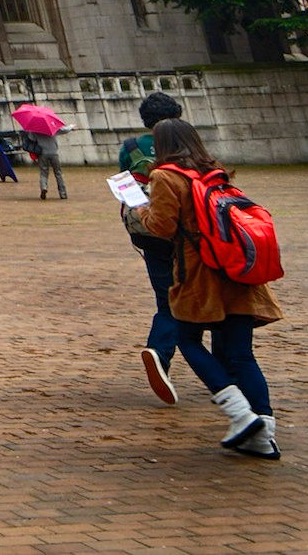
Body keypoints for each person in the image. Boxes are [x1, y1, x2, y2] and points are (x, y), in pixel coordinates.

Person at [129, 118, 283, 459]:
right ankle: (265, 434)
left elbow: (163, 226)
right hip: (237, 269)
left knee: (187, 339)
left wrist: (140, 210)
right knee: (241, 355)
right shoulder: (214, 171)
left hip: (200, 275)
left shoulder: (165, 176)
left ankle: (241, 416)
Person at [121, 90, 186, 404]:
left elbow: (124, 188)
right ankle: (224, 370)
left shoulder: (131, 147)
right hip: (184, 232)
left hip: (148, 230)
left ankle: (161, 354)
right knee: (202, 296)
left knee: (166, 297)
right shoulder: (184, 143)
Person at [29, 116, 72, 200]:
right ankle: (63, 193)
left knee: (44, 172)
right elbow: (63, 130)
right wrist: (71, 127)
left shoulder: (35, 129)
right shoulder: (52, 126)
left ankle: (44, 187)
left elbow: (31, 138)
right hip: (53, 152)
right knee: (58, 173)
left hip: (42, 153)